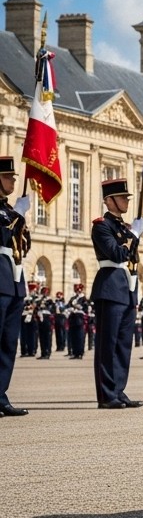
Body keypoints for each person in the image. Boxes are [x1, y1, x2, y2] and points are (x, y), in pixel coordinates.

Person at [90, 178, 143, 409]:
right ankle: (106, 394)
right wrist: (133, 237)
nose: (126, 202)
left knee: (123, 345)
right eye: (122, 198)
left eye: (127, 198)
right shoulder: (101, 226)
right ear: (109, 201)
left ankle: (118, 390)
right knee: (107, 344)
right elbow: (116, 254)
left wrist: (131, 236)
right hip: (110, 286)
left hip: (126, 288)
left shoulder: (123, 228)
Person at [0, 157, 32, 416]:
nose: (12, 181)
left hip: (13, 278)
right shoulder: (10, 213)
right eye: (8, 177)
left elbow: (24, 243)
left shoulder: (11, 211)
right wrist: (17, 218)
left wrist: (18, 219)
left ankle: (0, 394)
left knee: (9, 342)